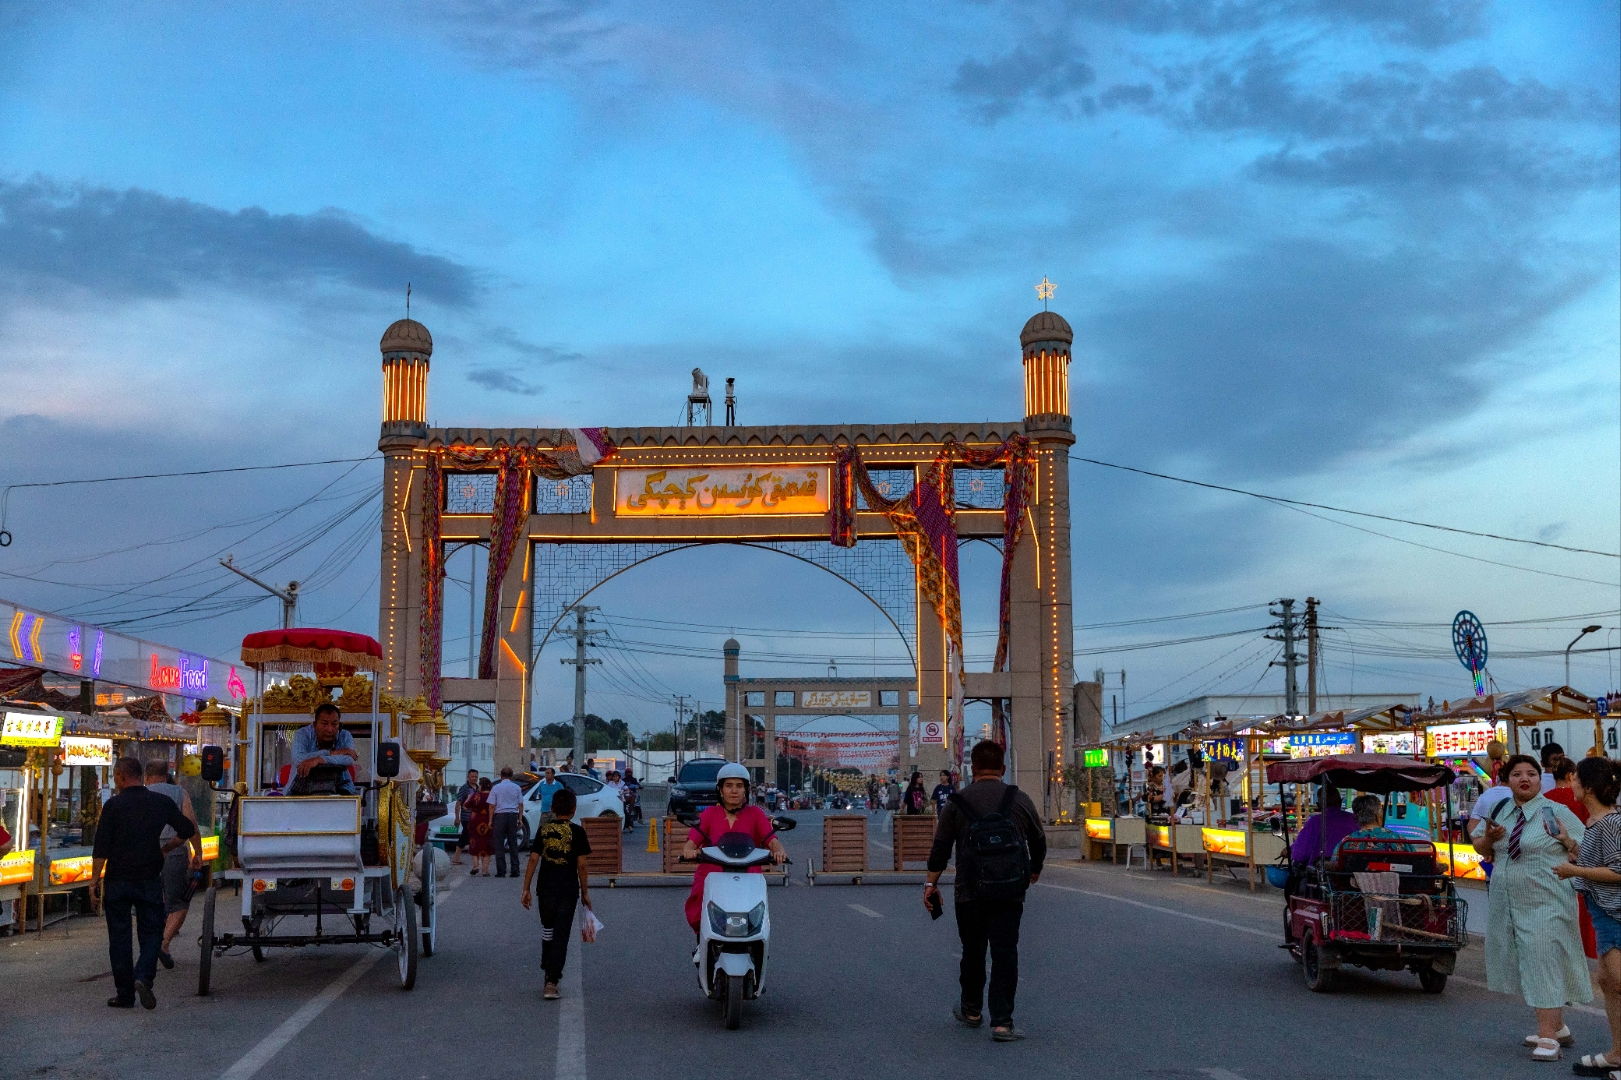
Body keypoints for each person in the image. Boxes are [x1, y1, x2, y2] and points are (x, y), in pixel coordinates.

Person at [925, 740, 1045, 1042]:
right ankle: (1003, 1023)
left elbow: (940, 849)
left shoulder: (957, 802)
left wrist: (931, 884)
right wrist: (1034, 870)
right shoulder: (1019, 799)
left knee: (973, 951)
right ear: (1002, 768)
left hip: (969, 892)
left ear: (972, 768)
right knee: (1005, 953)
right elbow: (1039, 840)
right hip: (1010, 891)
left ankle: (972, 1010)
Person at [1471, 753, 1589, 1061]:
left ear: (1540, 779)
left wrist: (1567, 841)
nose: (1525, 778)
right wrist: (1489, 839)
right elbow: (1481, 848)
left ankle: (1548, 1037)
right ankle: (1558, 1026)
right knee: (1529, 960)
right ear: (1507, 780)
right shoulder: (1500, 811)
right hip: (1509, 900)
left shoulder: (1557, 811)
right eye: (1517, 774)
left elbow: (1587, 851)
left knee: (1542, 960)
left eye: (1531, 774)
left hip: (1548, 900)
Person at [90, 756, 196, 1010]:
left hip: (118, 881)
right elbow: (187, 829)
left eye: (115, 776)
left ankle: (125, 995)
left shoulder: (113, 806)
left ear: (121, 777)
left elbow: (101, 849)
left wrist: (94, 882)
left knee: (119, 938)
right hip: (149, 878)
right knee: (151, 933)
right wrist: (167, 848)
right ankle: (143, 977)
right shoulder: (160, 802)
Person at [1551, 756, 1621, 1076]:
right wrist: (1568, 842)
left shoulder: (1611, 822)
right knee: (1608, 981)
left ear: (1589, 787)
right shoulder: (1596, 821)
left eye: (1577, 779)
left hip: (1615, 914)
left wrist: (1573, 870)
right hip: (1602, 912)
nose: (1572, 783)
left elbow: (1618, 871)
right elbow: (1596, 860)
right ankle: (1617, 1054)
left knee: (1617, 981)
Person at [680, 763, 786, 933]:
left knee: (756, 915)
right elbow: (691, 843)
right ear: (720, 790)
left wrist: (779, 851)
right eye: (728, 786)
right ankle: (702, 940)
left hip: (748, 876)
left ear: (746, 790)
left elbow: (771, 840)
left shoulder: (756, 814)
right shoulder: (708, 814)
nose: (734, 791)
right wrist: (688, 852)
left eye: (739, 786)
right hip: (713, 875)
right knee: (699, 900)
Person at [520, 787, 592, 1001]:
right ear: (574, 809)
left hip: (545, 889)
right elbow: (582, 864)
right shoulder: (578, 832)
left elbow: (533, 859)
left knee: (548, 928)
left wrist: (526, 888)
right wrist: (585, 891)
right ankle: (552, 980)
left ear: (551, 808)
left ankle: (547, 965)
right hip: (568, 890)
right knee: (561, 934)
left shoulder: (543, 830)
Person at [143, 760, 203, 971]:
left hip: (145, 854)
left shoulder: (140, 793)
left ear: (146, 777)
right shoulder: (179, 793)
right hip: (174, 851)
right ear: (166, 774)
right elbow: (192, 824)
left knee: (151, 900)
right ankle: (164, 942)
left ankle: (152, 946)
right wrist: (198, 853)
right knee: (178, 903)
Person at [290, 703, 359, 795]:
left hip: (340, 787)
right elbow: (298, 759)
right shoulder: (302, 734)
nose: (330, 729)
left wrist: (320, 760)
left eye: (334, 724)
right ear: (315, 725)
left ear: (339, 724)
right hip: (302, 787)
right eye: (324, 724)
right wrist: (331, 753)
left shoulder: (345, 735)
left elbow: (349, 759)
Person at [1290, 786, 1357, 864]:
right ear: (1341, 802)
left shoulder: (1314, 822)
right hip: (1350, 869)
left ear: (1318, 805)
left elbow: (1298, 855)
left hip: (1321, 872)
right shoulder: (1354, 819)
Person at [1329, 794, 1399, 861]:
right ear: (1378, 815)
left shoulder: (1346, 842)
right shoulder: (1398, 840)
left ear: (1356, 817)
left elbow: (1336, 864)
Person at [489, 766, 524, 878]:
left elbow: (492, 806)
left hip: (500, 816)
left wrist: (490, 820)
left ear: (501, 776)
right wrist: (520, 818)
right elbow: (520, 804)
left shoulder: (496, 788)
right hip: (512, 815)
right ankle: (515, 869)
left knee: (499, 844)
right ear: (511, 776)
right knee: (513, 843)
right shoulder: (517, 788)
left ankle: (501, 870)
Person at [464, 778, 494, 875]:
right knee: (487, 844)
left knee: (474, 842)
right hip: (488, 821)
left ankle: (476, 865)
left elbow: (466, 805)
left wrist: (468, 798)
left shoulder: (476, 795)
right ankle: (485, 870)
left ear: (481, 785)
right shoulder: (492, 796)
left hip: (475, 821)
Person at [451, 769, 479, 866]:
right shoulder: (464, 788)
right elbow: (458, 803)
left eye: (476, 777)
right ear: (468, 777)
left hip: (475, 817)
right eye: (472, 776)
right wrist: (457, 817)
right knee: (465, 835)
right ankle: (456, 858)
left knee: (472, 836)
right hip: (466, 817)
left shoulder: (477, 788)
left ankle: (473, 858)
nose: (474, 778)